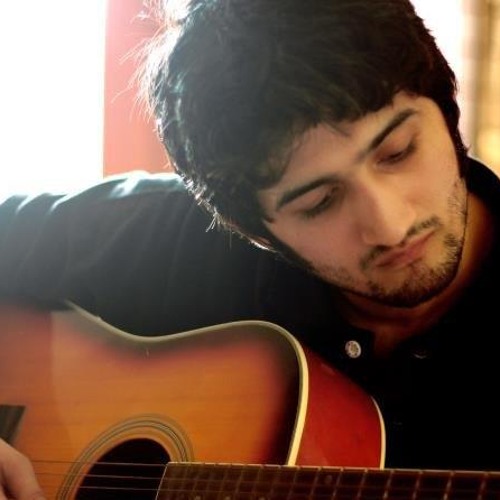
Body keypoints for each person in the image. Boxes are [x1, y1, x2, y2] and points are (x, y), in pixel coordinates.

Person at [1, 0, 499, 496]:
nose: (390, 225)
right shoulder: (178, 241)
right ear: (253, 229)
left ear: (446, 110)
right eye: (320, 202)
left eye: (398, 152)